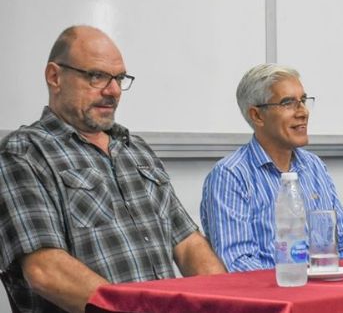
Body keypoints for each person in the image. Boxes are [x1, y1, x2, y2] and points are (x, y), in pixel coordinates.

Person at [0, 25, 226, 313]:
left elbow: (188, 244)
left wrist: (224, 301)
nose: (114, 90)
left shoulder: (136, 150)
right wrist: (139, 309)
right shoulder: (25, 153)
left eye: (119, 78)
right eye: (97, 76)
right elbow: (46, 270)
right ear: (55, 77)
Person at [201, 64, 343, 271]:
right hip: (272, 297)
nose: (302, 112)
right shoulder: (231, 175)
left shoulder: (314, 167)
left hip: (324, 292)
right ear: (257, 116)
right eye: (288, 103)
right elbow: (238, 263)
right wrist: (295, 282)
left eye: (303, 100)